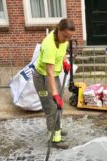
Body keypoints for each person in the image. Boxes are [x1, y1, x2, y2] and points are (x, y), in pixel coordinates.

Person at [33, 18, 75, 148]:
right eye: (65, 36)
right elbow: (49, 71)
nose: (66, 39)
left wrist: (64, 61)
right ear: (59, 30)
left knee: (58, 106)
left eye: (69, 37)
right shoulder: (49, 45)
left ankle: (56, 128)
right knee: (51, 107)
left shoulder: (63, 39)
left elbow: (62, 51)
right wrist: (55, 93)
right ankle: (54, 139)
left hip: (53, 76)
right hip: (43, 78)